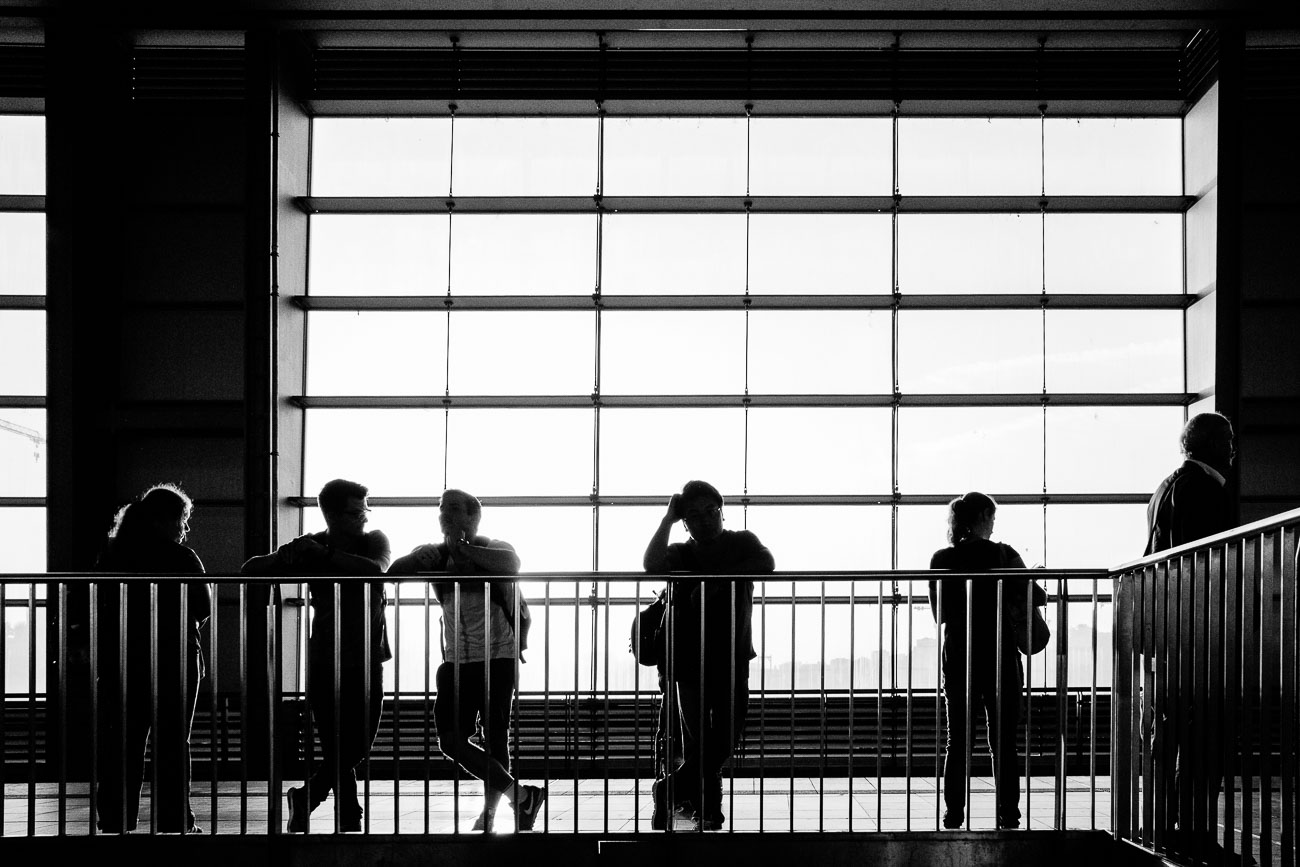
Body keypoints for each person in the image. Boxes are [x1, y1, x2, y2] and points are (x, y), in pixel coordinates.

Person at [388, 488, 545, 833]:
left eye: (454, 508)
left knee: (496, 737)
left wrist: (466, 550)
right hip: (456, 660)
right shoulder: (434, 554)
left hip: (497, 657)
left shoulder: (494, 547)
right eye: (442, 508)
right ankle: (520, 796)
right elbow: (393, 573)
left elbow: (511, 565)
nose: (445, 513)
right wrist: (418, 561)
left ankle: (490, 815)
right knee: (450, 739)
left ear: (474, 516)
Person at [240, 478, 391, 833]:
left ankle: (309, 797)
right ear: (332, 515)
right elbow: (251, 570)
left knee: (359, 742)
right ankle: (349, 815)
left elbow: (377, 569)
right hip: (325, 656)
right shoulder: (313, 545)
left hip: (368, 657)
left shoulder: (373, 541)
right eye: (356, 513)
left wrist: (323, 556)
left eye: (365, 510)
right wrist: (287, 554)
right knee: (339, 744)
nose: (364, 518)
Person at [643, 479, 775, 831]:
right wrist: (666, 520)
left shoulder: (741, 542)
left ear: (721, 511)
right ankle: (709, 809)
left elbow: (767, 563)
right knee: (698, 739)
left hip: (733, 655)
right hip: (688, 659)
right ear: (684, 522)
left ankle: (670, 788)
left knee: (727, 735)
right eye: (693, 515)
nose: (704, 520)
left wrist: (717, 582)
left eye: (710, 511)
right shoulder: (681, 552)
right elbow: (651, 565)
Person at [1139, 412, 1238, 862]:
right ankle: (1193, 831)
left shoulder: (1167, 486)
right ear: (1211, 444)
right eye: (1228, 439)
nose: (1233, 448)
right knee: (1208, 732)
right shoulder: (1203, 490)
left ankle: (1165, 827)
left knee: (1172, 729)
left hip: (1169, 631)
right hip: (1197, 631)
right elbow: (1208, 564)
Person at [92, 483, 211, 834]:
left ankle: (116, 819)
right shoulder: (181, 557)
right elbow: (202, 608)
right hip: (174, 659)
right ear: (164, 520)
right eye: (181, 520)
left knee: (123, 743)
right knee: (173, 742)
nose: (184, 529)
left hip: (123, 660)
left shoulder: (112, 555)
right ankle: (174, 820)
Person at [928, 491, 1045, 831]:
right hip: (1000, 655)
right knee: (1004, 741)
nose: (994, 524)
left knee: (958, 740)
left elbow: (940, 613)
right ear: (981, 517)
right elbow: (1035, 596)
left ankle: (953, 814)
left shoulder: (941, 558)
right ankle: (1008, 813)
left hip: (959, 656)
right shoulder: (1004, 554)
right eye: (991, 517)